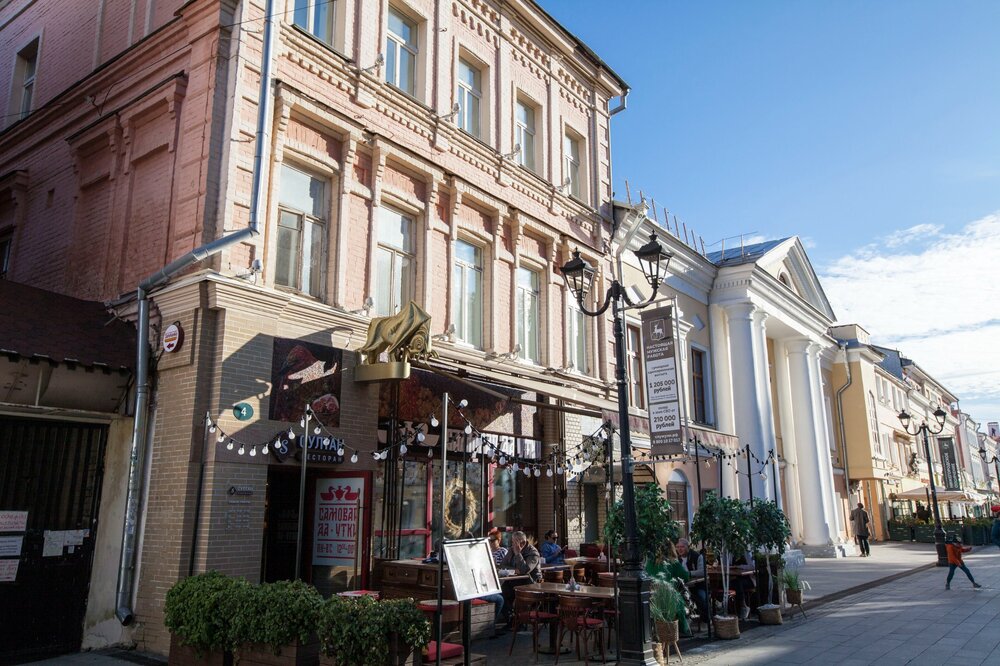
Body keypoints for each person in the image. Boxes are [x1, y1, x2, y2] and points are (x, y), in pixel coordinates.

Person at [676, 538, 708, 623]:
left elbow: (703, 572)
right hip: (682, 586)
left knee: (702, 597)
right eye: (678, 547)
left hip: (698, 585)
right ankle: (683, 621)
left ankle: (706, 620)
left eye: (682, 547)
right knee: (675, 597)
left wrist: (688, 573)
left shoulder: (697, 556)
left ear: (688, 547)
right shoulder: (676, 558)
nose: (679, 549)